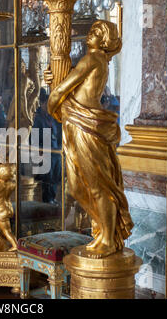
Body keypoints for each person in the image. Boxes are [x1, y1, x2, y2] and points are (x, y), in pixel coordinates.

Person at [45, 20, 133, 259]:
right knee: (77, 186)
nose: (90, 34)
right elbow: (67, 86)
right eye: (92, 30)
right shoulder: (94, 60)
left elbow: (63, 90)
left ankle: (107, 239)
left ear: (105, 40)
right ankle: (104, 232)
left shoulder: (92, 58)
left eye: (97, 32)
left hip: (87, 126)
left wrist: (53, 100)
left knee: (98, 185)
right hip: (78, 123)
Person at [33, 88, 62, 204]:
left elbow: (56, 134)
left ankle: (53, 198)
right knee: (47, 177)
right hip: (44, 152)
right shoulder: (38, 119)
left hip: (54, 151)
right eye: (47, 104)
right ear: (43, 104)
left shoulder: (51, 117)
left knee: (55, 176)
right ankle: (47, 199)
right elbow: (34, 138)